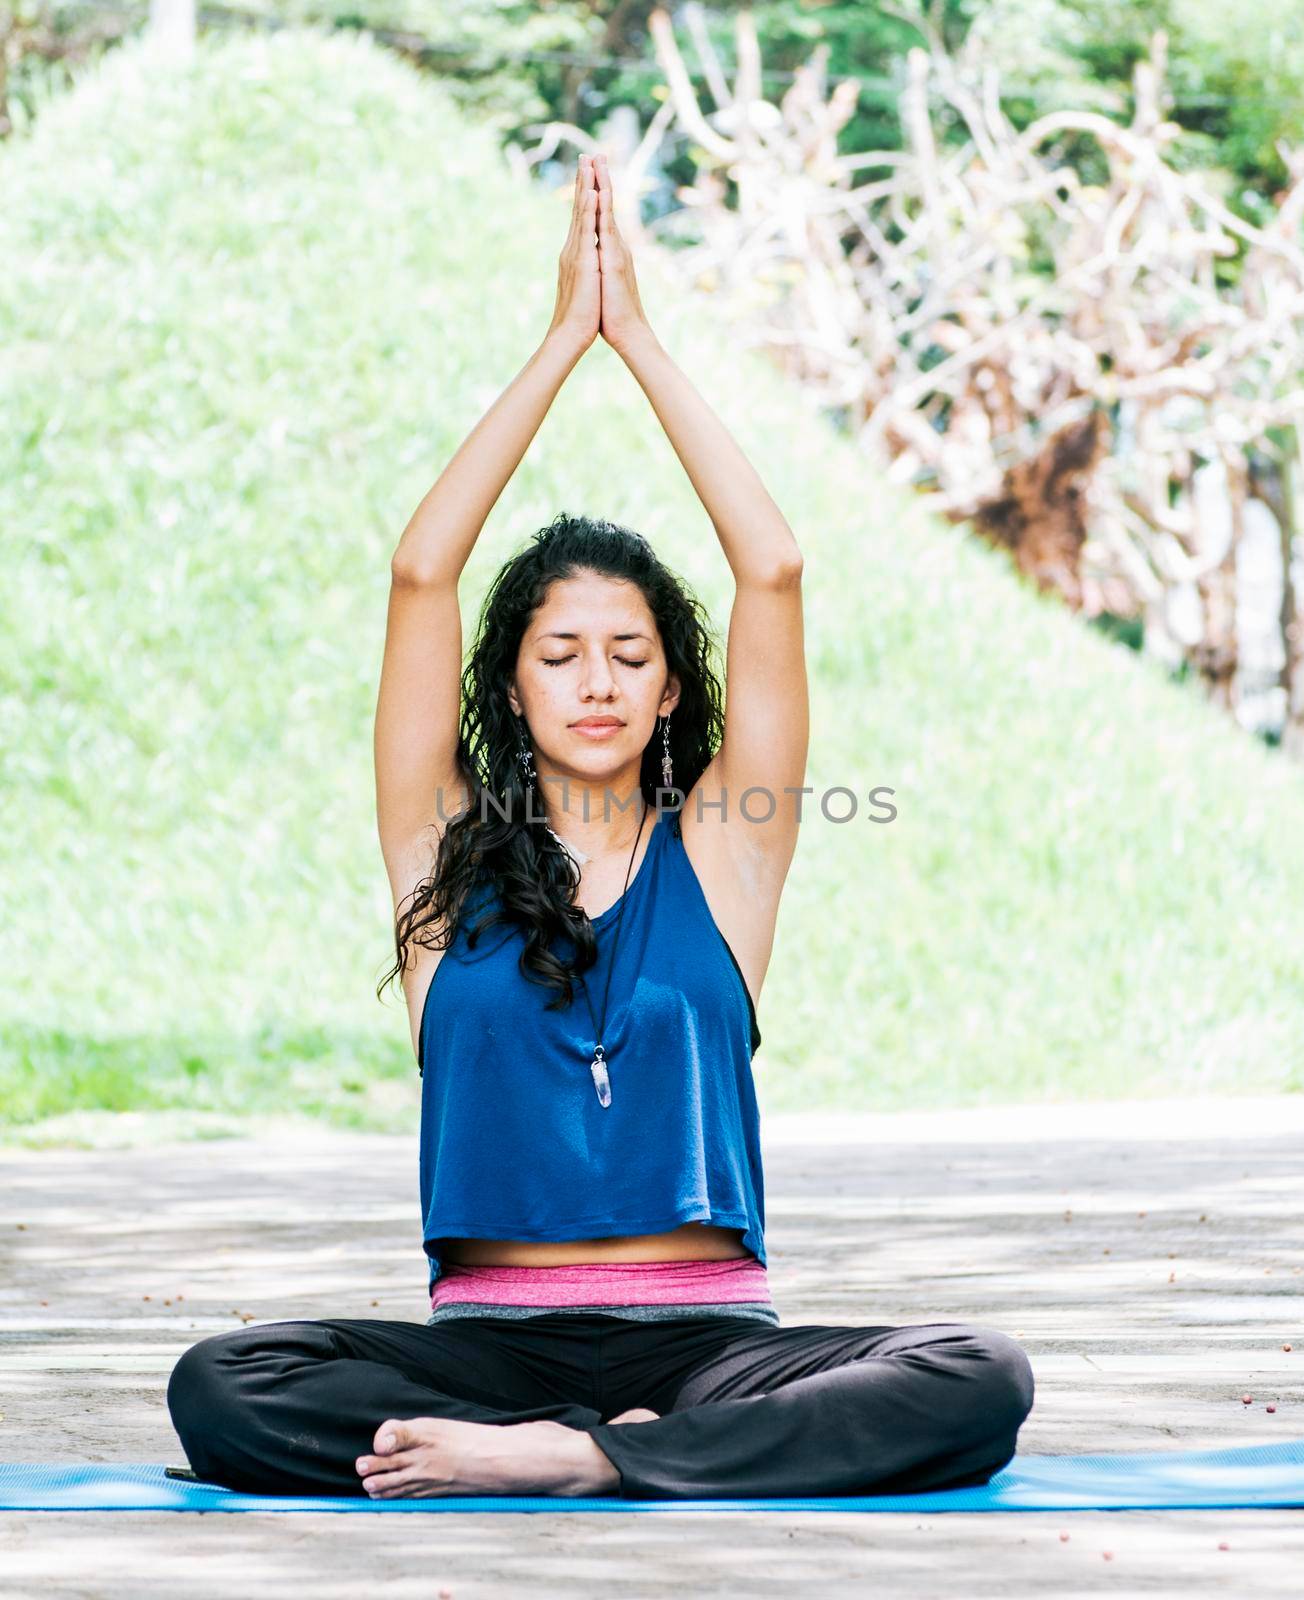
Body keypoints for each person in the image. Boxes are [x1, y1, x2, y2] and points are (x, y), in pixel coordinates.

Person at [166, 152, 1034, 1501]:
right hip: (479, 1356)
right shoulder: (439, 860)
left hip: (704, 1349)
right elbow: (419, 570)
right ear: (510, 681)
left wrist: (641, 344)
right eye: (560, 653)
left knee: (973, 1376)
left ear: (671, 684)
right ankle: (580, 1454)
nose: (595, 682)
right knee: (220, 1389)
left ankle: (576, 1460)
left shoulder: (728, 847)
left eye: (629, 655)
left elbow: (774, 568)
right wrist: (556, 343)